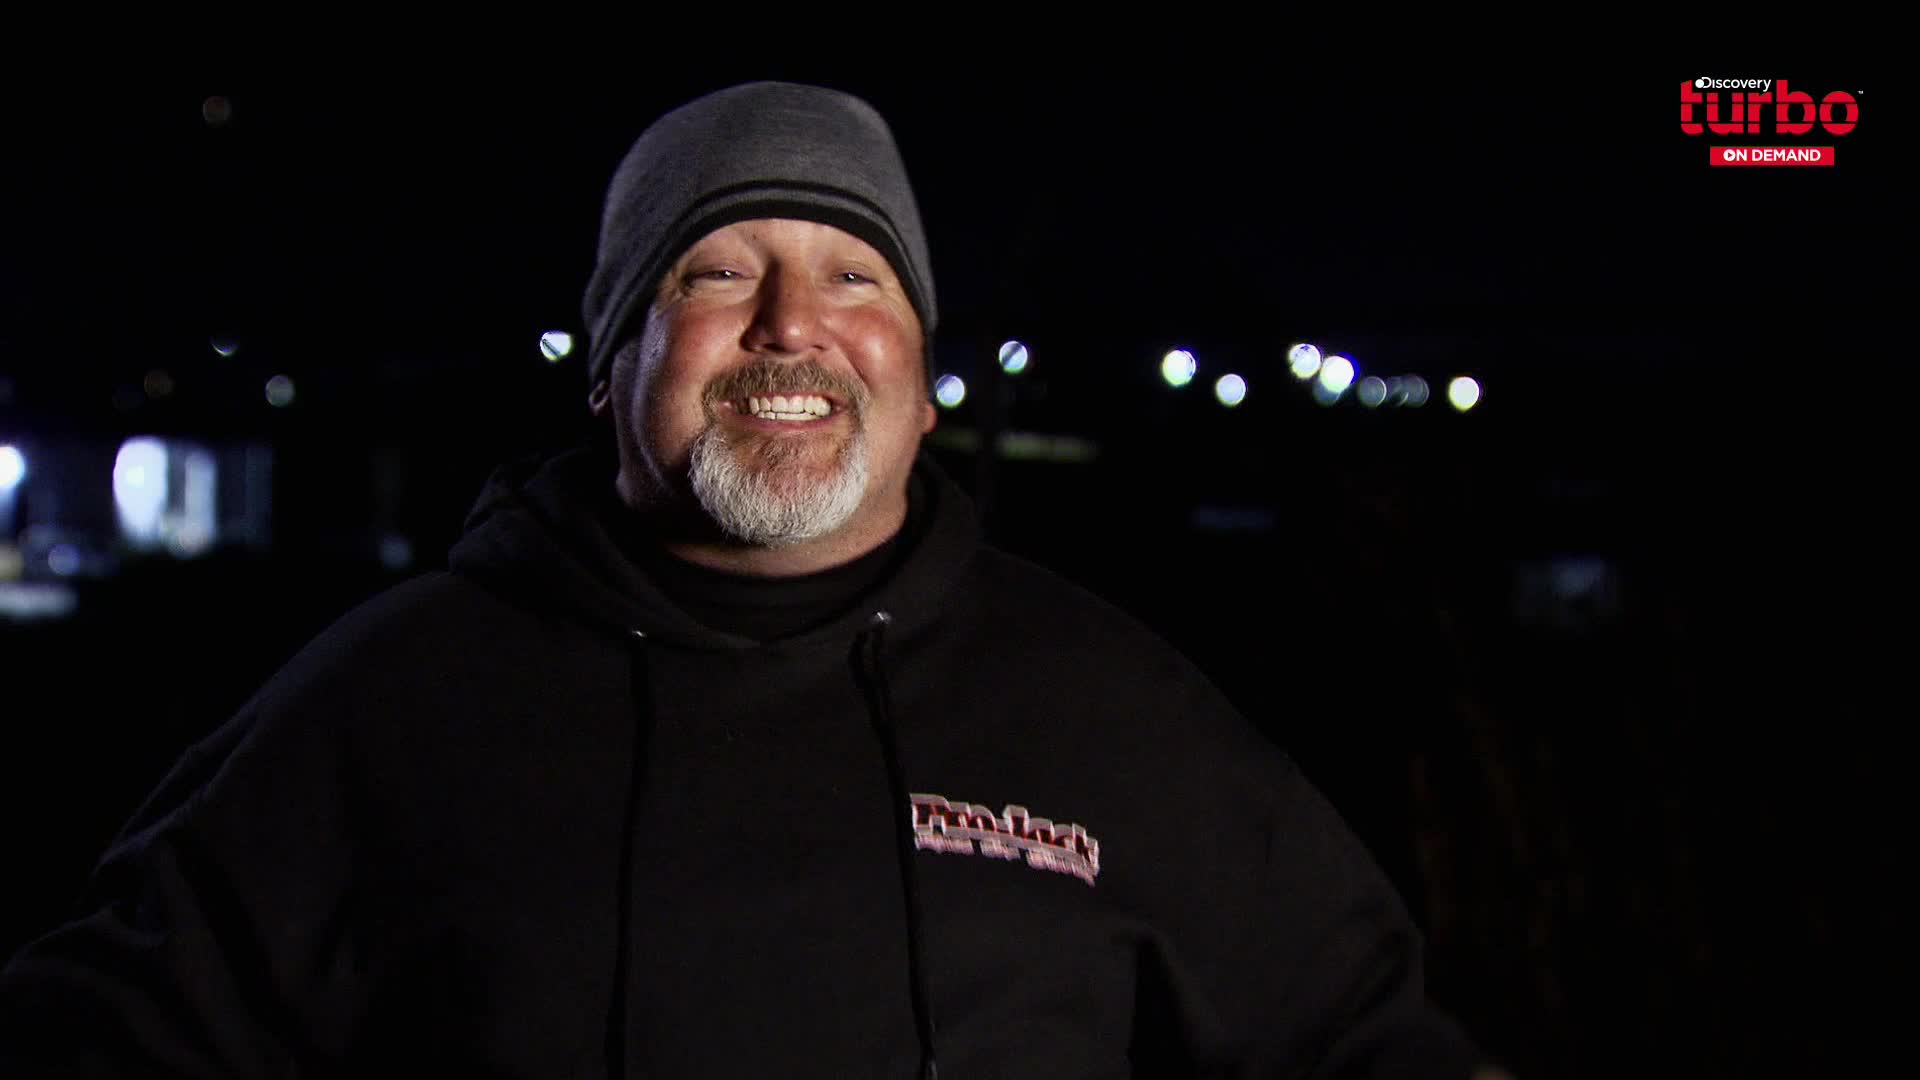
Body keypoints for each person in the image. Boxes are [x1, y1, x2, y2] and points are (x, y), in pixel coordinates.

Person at [2, 81, 1494, 1077]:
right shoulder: (388, 705)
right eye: (715, 271)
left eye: (855, 276)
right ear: (613, 366)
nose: (792, 324)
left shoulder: (1117, 710)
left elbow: (1366, 1044)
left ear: (920, 380)